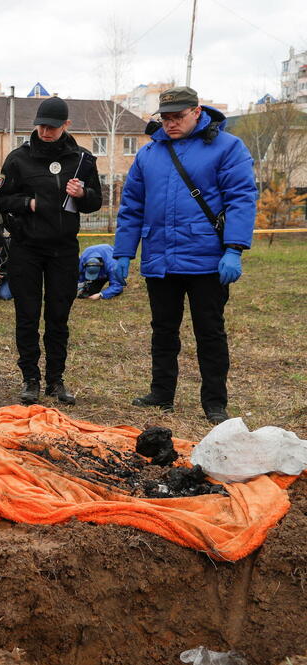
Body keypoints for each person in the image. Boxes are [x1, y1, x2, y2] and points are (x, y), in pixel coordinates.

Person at [113, 86, 256, 425]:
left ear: (197, 111)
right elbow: (132, 207)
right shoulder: (149, 155)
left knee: (209, 331)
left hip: (207, 259)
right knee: (163, 329)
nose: (170, 123)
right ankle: (161, 393)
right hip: (160, 257)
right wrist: (123, 253)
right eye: (165, 118)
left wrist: (233, 249)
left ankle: (215, 402)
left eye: (178, 116)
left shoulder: (227, 147)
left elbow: (241, 198)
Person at [0, 96, 102, 406]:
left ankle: (56, 379)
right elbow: (0, 199)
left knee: (58, 316)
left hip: (63, 250)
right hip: (27, 248)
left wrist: (82, 194)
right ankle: (30, 378)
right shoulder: (18, 159)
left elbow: (95, 203)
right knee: (27, 316)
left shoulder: (82, 159)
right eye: (41, 126)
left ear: (66, 126)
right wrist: (26, 203)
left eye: (52, 127)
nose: (45, 131)